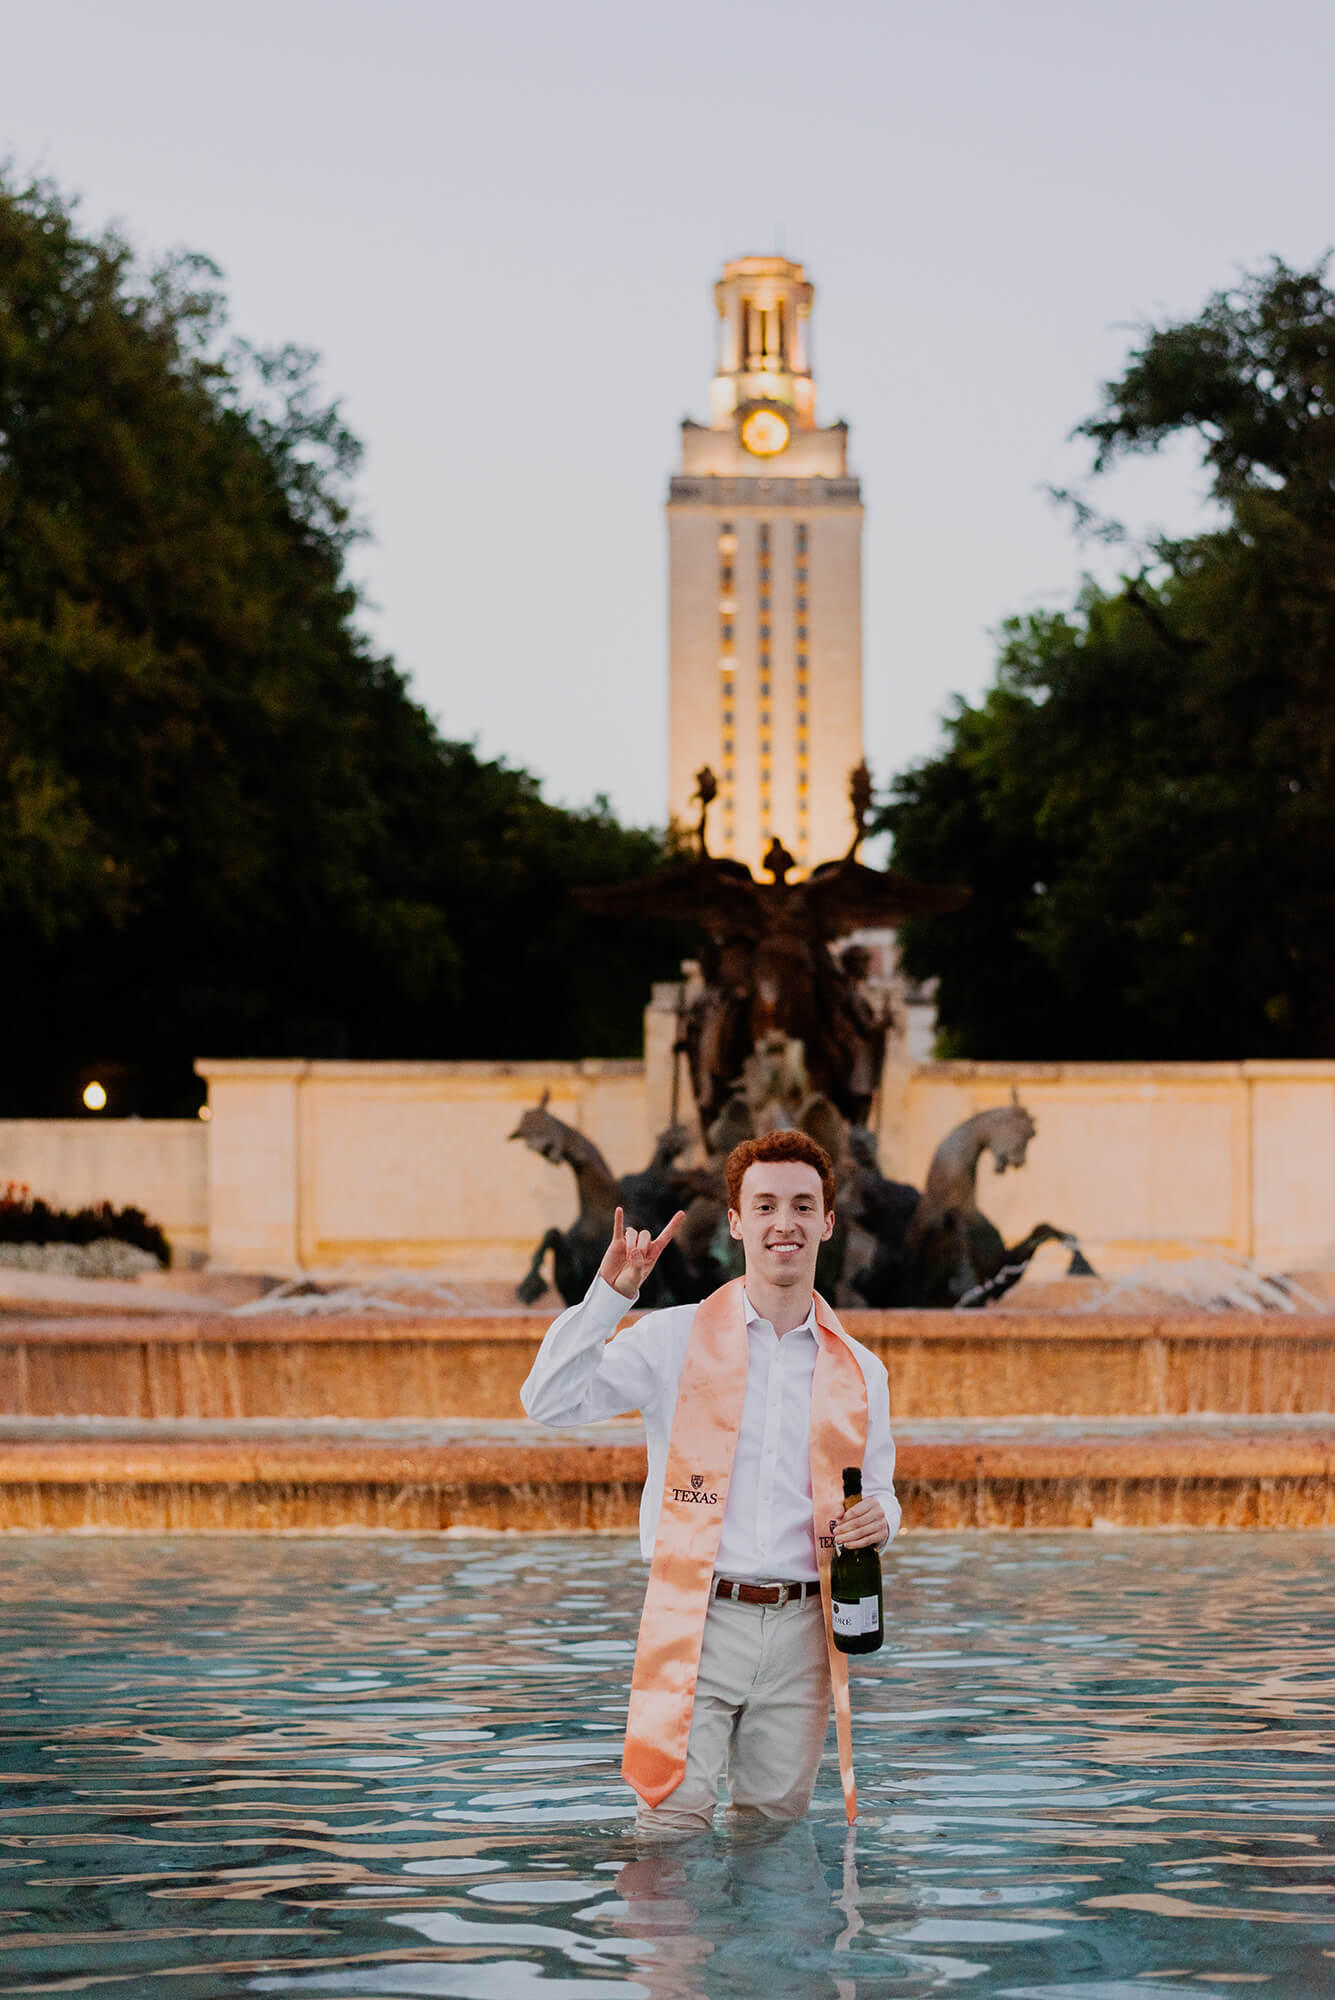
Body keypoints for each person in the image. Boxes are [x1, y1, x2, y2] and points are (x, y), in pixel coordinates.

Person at [521, 1129, 900, 1836]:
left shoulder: (859, 1369)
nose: (782, 1222)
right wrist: (607, 1297)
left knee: (772, 1839)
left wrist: (882, 1517)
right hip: (695, 1618)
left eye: (799, 1205)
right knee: (667, 1833)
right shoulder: (671, 1338)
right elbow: (547, 1402)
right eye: (763, 1206)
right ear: (735, 1222)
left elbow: (877, 1489)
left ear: (826, 1221)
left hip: (802, 1631)